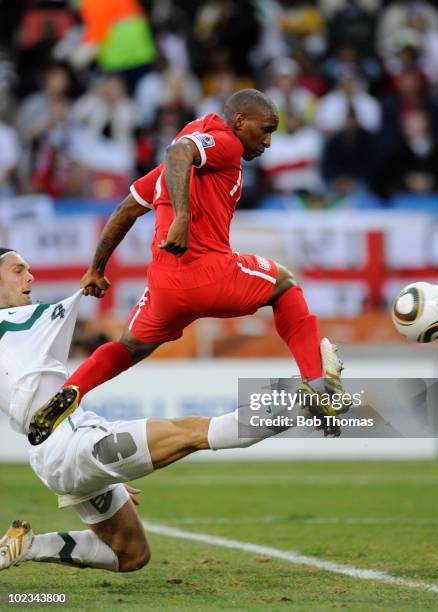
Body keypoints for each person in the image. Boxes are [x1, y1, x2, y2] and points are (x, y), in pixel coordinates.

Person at [29, 88, 346, 447]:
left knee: (128, 347)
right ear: (240, 121)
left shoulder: (176, 165)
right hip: (210, 273)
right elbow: (178, 151)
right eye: (266, 129)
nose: (269, 141)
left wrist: (96, 269)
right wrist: (182, 217)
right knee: (285, 283)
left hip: (165, 287)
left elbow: (126, 210)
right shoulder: (225, 143)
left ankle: (71, 390)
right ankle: (317, 383)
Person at [0, 247, 343, 573]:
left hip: (52, 451)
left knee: (130, 554)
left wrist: (102, 470)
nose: (30, 277)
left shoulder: (26, 327)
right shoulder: (26, 322)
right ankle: (306, 404)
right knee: (195, 433)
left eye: (28, 269)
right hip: (69, 445)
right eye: (18, 271)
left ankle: (28, 546)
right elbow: (123, 339)